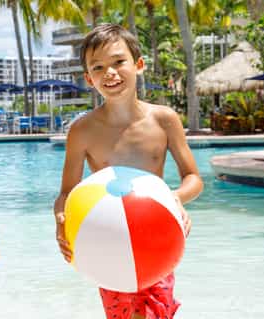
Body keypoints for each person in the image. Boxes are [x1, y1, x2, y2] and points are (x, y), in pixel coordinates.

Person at [53, 24, 203, 319]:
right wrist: (61, 220)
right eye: (98, 67)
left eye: (119, 62)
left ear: (139, 64)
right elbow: (67, 194)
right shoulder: (82, 130)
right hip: (106, 242)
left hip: (157, 237)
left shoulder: (164, 120)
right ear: (88, 78)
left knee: (158, 314)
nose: (110, 72)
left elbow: (194, 178)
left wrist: (174, 198)